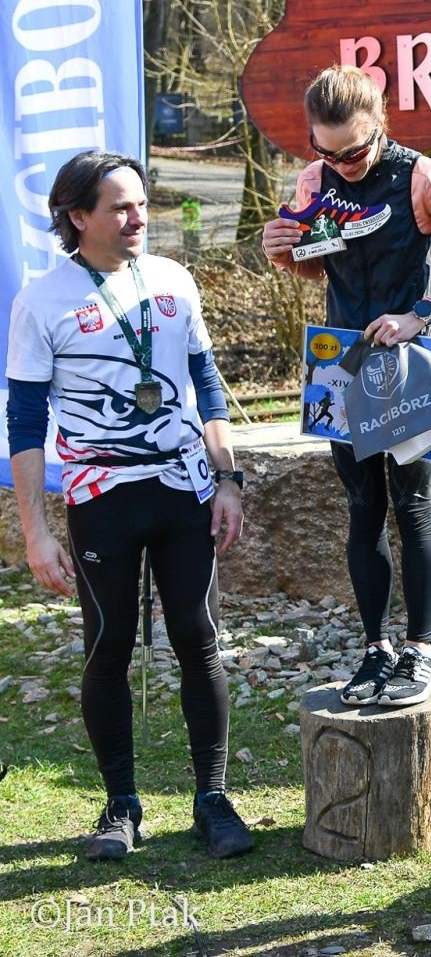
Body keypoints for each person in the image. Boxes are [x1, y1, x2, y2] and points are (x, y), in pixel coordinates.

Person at [6, 151, 254, 861]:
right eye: (119, 207)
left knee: (197, 640)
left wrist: (229, 479)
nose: (138, 217)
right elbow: (24, 423)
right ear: (77, 216)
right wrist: (35, 531)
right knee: (108, 646)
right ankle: (122, 806)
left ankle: (212, 799)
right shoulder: (43, 300)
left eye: (142, 203)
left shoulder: (174, 279)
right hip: (101, 497)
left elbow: (206, 383)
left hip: (184, 491)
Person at [260, 66, 431, 708]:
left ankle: (420, 649)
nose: (343, 163)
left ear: (381, 126)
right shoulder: (314, 181)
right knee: (362, 509)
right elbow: (315, 267)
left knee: (411, 503)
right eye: (327, 151)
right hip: (342, 360)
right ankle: (374, 649)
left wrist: (422, 312)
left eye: (356, 150)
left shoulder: (422, 176)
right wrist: (282, 249)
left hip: (412, 361)